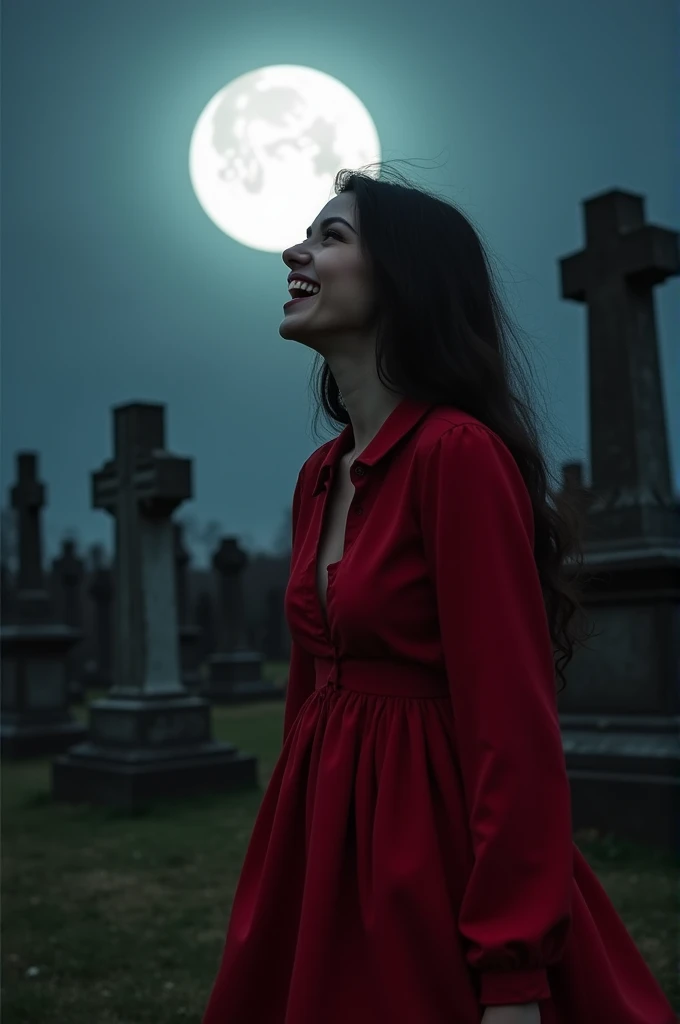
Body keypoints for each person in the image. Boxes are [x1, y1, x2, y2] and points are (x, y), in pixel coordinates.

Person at [202, 164, 676, 1024]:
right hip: (321, 836)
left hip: (428, 841)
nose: (292, 250)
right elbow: (311, 690)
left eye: (330, 236)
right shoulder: (319, 476)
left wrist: (511, 969)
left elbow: (511, 726)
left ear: (405, 280)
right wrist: (295, 858)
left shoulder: (457, 457)